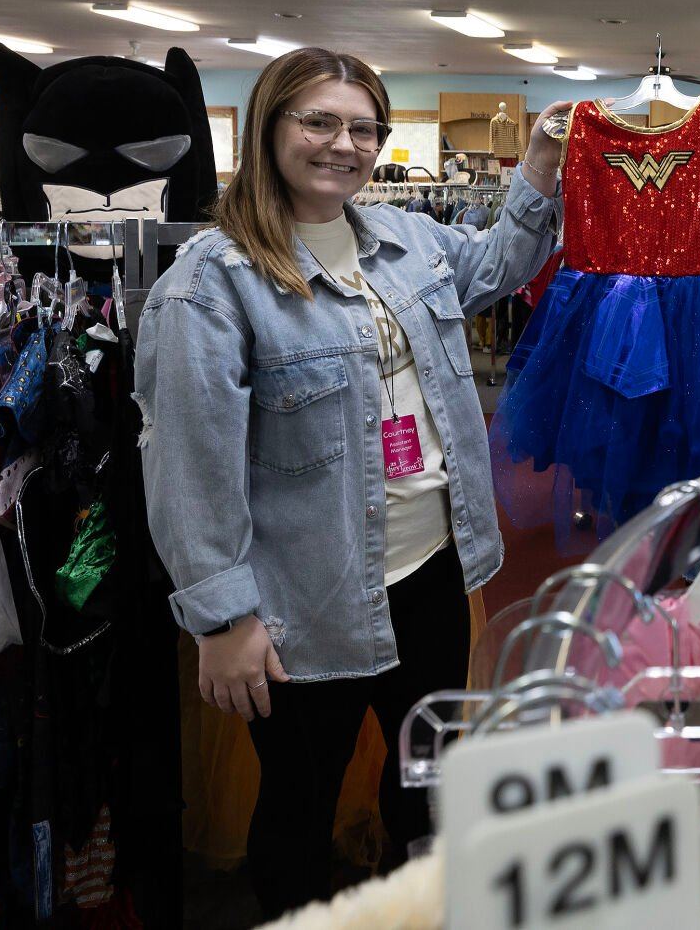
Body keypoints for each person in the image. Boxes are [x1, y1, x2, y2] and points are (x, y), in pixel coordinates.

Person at [134, 48, 567, 918]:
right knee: (300, 801)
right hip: (304, 595)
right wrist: (223, 618)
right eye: (319, 122)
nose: (344, 145)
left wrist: (541, 170)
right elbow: (189, 461)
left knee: (428, 781)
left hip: (431, 573)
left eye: (363, 128)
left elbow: (494, 267)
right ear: (269, 130)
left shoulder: (408, 241)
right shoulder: (212, 283)